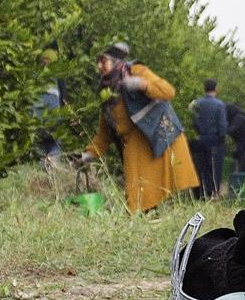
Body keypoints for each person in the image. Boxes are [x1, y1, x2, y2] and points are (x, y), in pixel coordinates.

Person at [74, 42, 197, 213]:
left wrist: (142, 84)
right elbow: (104, 134)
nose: (100, 66)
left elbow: (168, 91)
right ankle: (148, 218)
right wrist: (88, 154)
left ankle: (156, 216)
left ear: (116, 61)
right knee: (137, 196)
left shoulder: (136, 71)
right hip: (135, 145)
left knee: (153, 192)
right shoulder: (106, 93)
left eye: (104, 61)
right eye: (98, 62)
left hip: (156, 137)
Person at [189, 79, 228, 199]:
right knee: (213, 168)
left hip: (198, 139)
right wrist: (222, 139)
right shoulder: (219, 105)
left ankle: (199, 194)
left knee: (199, 167)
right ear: (216, 88)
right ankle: (212, 194)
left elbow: (193, 121)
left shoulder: (196, 104)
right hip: (214, 140)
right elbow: (222, 125)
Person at [224, 100, 245, 178]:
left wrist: (221, 128)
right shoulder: (239, 118)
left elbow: (231, 130)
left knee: (243, 171)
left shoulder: (239, 118)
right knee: (243, 170)